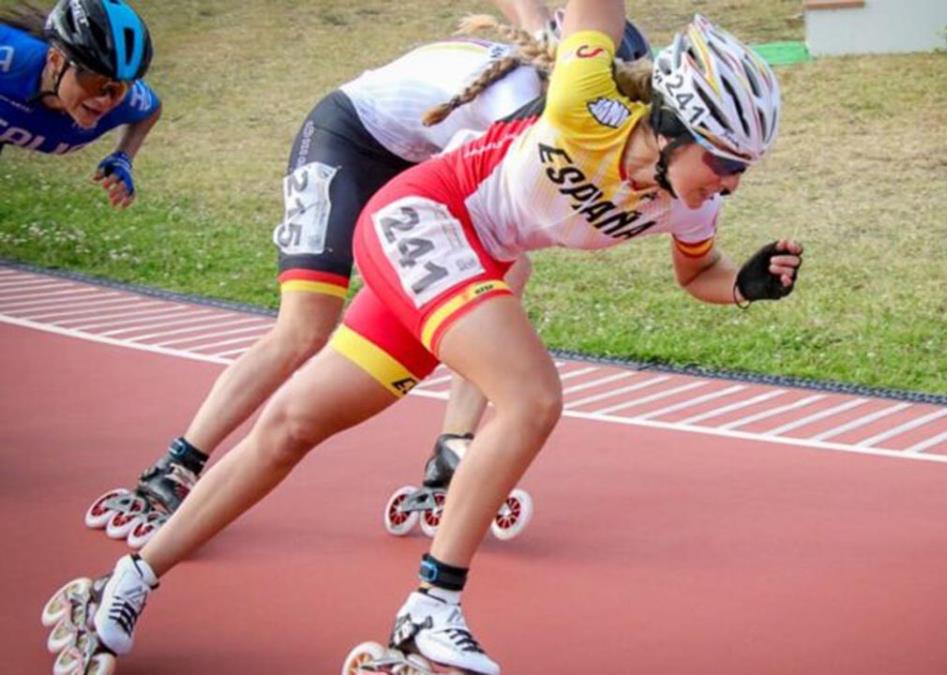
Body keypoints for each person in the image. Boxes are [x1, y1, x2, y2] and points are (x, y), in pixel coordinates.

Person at [46, 2, 800, 674]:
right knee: (532, 396)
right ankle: (431, 610)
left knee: (289, 427)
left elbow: (698, 273)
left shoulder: (689, 205)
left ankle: (128, 580)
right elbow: (592, 11)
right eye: (724, 162)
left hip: (469, 259)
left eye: (744, 170)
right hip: (424, 216)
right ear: (670, 126)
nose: (730, 183)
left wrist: (741, 285)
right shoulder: (583, 106)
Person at [84, 2, 652, 549]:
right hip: (349, 139)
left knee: (503, 276)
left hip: (421, 160)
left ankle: (451, 448)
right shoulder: (527, 102)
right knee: (306, 326)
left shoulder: (551, 96)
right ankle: (180, 461)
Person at [0, 0, 159, 209]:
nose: (105, 100)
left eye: (120, 88)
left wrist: (123, 157)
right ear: (55, 61)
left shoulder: (127, 102)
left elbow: (152, 110)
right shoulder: (10, 58)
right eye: (94, 81)